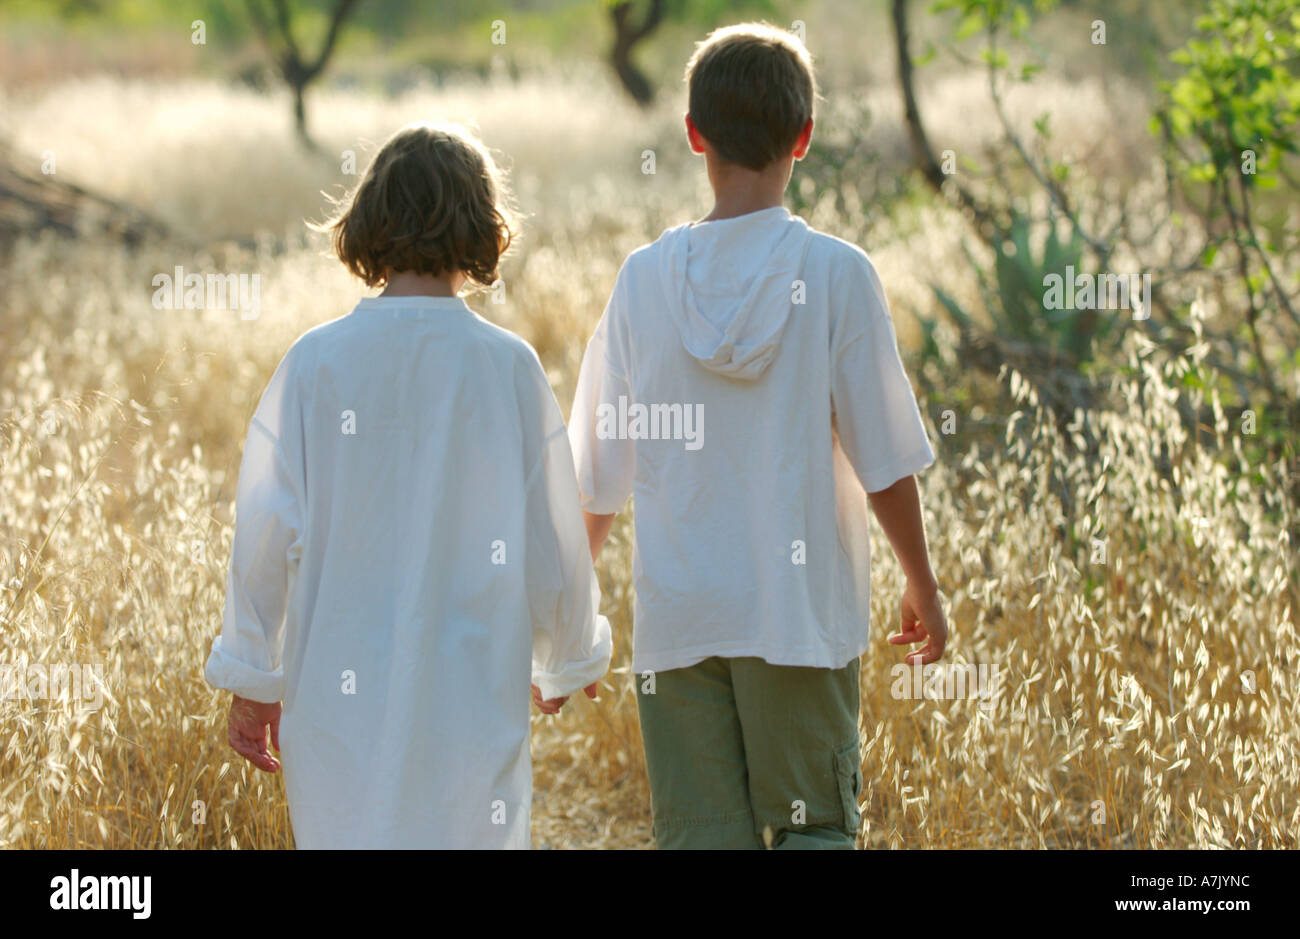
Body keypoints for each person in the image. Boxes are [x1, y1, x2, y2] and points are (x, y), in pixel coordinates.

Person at [569, 23, 948, 849]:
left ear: (694, 134)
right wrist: (923, 582)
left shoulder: (642, 281)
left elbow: (597, 474)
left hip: (681, 622)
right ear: (804, 136)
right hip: (800, 620)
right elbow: (884, 457)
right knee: (815, 832)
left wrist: (568, 611)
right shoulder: (839, 275)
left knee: (701, 839)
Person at [204, 122, 611, 849]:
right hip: (470, 695)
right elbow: (550, 529)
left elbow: (263, 532)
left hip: (334, 693)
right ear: (482, 226)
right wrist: (569, 651)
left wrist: (252, 673)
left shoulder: (315, 364)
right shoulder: (508, 368)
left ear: (369, 222)